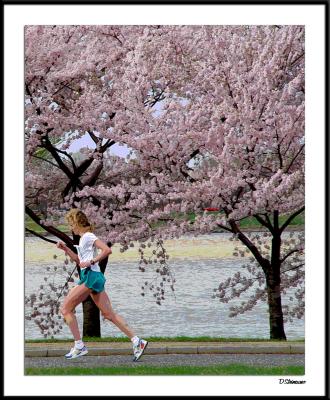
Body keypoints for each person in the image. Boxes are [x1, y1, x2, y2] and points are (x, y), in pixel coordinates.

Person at [56, 208, 148, 361]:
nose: (70, 227)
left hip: (91, 278)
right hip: (93, 276)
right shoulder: (83, 239)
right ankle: (137, 341)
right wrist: (65, 249)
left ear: (77, 222)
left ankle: (79, 345)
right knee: (109, 315)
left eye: (71, 224)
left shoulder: (88, 236)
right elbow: (80, 262)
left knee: (65, 309)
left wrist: (92, 261)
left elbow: (107, 250)